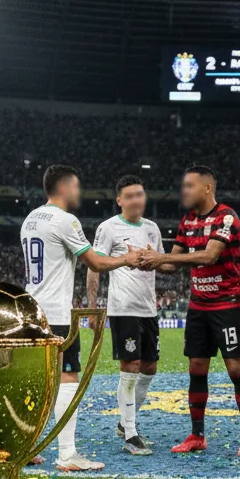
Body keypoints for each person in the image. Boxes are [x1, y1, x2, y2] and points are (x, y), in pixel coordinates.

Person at [21, 164, 138, 472]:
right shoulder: (64, 220)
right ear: (62, 187)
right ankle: (67, 454)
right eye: (75, 186)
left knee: (35, 382)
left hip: (31, 309)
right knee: (67, 377)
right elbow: (95, 263)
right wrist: (127, 258)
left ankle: (25, 446)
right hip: (56, 314)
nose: (78, 191)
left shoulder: (31, 218)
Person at [137, 165, 240, 457]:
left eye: (190, 186)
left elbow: (210, 255)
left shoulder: (226, 216)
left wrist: (161, 256)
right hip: (198, 305)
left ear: (207, 188)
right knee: (196, 368)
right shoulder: (187, 220)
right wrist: (143, 259)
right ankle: (197, 434)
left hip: (227, 304)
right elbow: (171, 265)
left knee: (235, 368)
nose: (184, 191)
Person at [88, 175, 163, 456]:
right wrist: (94, 306)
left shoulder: (153, 229)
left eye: (140, 194)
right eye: (130, 196)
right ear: (119, 200)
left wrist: (160, 258)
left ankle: (124, 422)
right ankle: (131, 433)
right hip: (123, 308)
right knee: (130, 367)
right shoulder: (108, 228)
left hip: (148, 309)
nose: (136, 200)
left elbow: (163, 263)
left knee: (149, 368)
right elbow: (94, 265)